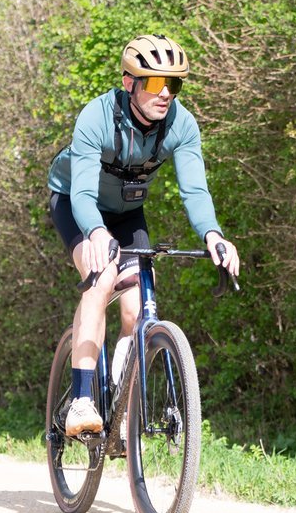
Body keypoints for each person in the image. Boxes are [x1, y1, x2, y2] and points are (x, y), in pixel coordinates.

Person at [47, 34, 240, 436]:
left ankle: (119, 402)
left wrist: (213, 235)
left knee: (136, 312)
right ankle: (81, 400)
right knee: (100, 280)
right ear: (128, 82)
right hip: (76, 204)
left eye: (174, 84)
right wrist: (96, 232)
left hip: (127, 212)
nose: (165, 93)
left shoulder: (181, 125)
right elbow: (81, 192)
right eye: (154, 82)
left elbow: (195, 190)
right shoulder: (96, 117)